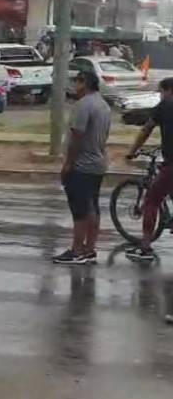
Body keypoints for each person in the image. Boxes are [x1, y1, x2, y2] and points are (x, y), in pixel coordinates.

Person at [53, 71, 112, 265]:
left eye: (77, 82)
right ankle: (89, 248)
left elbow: (77, 135)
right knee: (92, 206)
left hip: (82, 165)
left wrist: (68, 163)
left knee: (79, 210)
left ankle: (76, 250)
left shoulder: (84, 105)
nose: (74, 87)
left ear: (84, 83)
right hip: (98, 163)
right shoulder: (103, 104)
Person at [124, 77, 173, 261]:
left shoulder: (165, 105)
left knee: (152, 201)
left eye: (160, 92)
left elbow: (146, 129)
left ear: (168, 90)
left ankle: (145, 248)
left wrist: (132, 152)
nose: (159, 96)